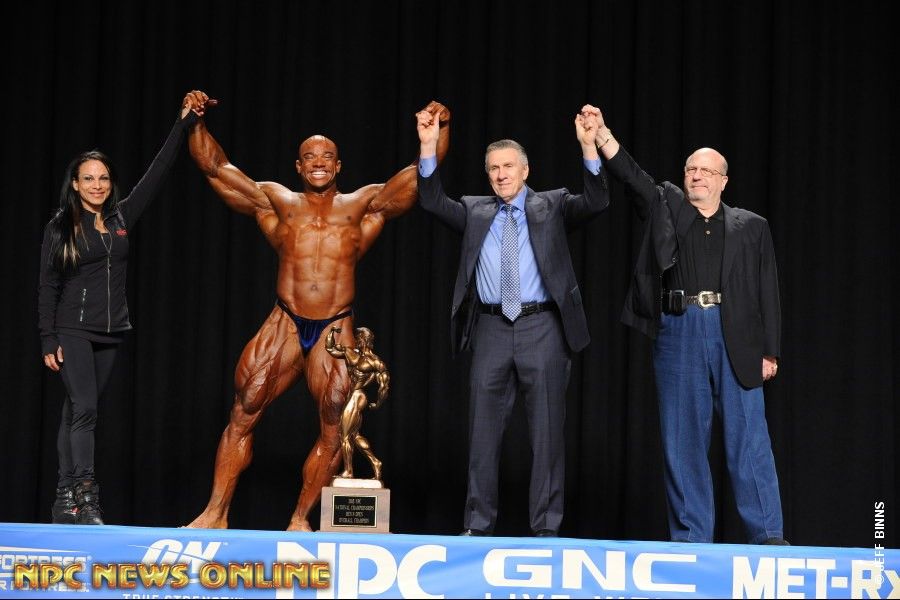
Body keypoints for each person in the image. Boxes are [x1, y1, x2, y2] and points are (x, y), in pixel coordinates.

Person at [182, 91, 450, 531]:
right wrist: (195, 122)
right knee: (245, 407)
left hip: (335, 326)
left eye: (327, 157)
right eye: (310, 157)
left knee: (334, 422)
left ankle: (300, 520)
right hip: (286, 320)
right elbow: (216, 168)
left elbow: (421, 178)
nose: (319, 162)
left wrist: (435, 133)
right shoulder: (276, 202)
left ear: (338, 166)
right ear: (298, 166)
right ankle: (215, 513)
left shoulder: (362, 206)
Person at [587, 105, 787, 545]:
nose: (696, 176)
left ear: (723, 181)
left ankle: (768, 535)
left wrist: (770, 350)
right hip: (680, 330)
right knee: (683, 439)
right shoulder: (669, 206)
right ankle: (692, 537)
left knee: (749, 438)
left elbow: (767, 290)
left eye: (706, 171)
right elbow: (633, 176)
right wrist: (602, 135)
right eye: (691, 170)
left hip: (737, 335)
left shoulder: (752, 226)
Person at [416, 108, 610, 537]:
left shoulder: (552, 204)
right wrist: (428, 146)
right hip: (491, 329)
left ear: (525, 170)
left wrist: (588, 146)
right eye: (493, 169)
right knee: (482, 434)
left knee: (546, 435)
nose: (501, 175)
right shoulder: (475, 211)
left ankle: (546, 529)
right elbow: (431, 201)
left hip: (543, 328)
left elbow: (597, 201)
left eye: (508, 167)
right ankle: (477, 525)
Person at [38, 92, 205, 525]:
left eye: (104, 178)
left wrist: (182, 125)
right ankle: (87, 497)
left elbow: (158, 172)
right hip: (73, 328)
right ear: (75, 184)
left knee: (76, 411)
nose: (97, 185)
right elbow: (48, 285)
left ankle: (63, 500)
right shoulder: (60, 227)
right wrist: (48, 338)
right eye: (89, 179)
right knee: (86, 411)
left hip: (111, 331)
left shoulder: (120, 218)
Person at [325, 325, 390, 481]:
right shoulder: (351, 353)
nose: (357, 341)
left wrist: (378, 403)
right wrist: (331, 332)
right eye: (357, 338)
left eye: (360, 338)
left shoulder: (375, 362)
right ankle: (376, 462)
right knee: (354, 435)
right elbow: (330, 348)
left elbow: (384, 385)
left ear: (366, 340)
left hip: (358, 396)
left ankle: (348, 471)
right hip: (351, 395)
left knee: (344, 435)